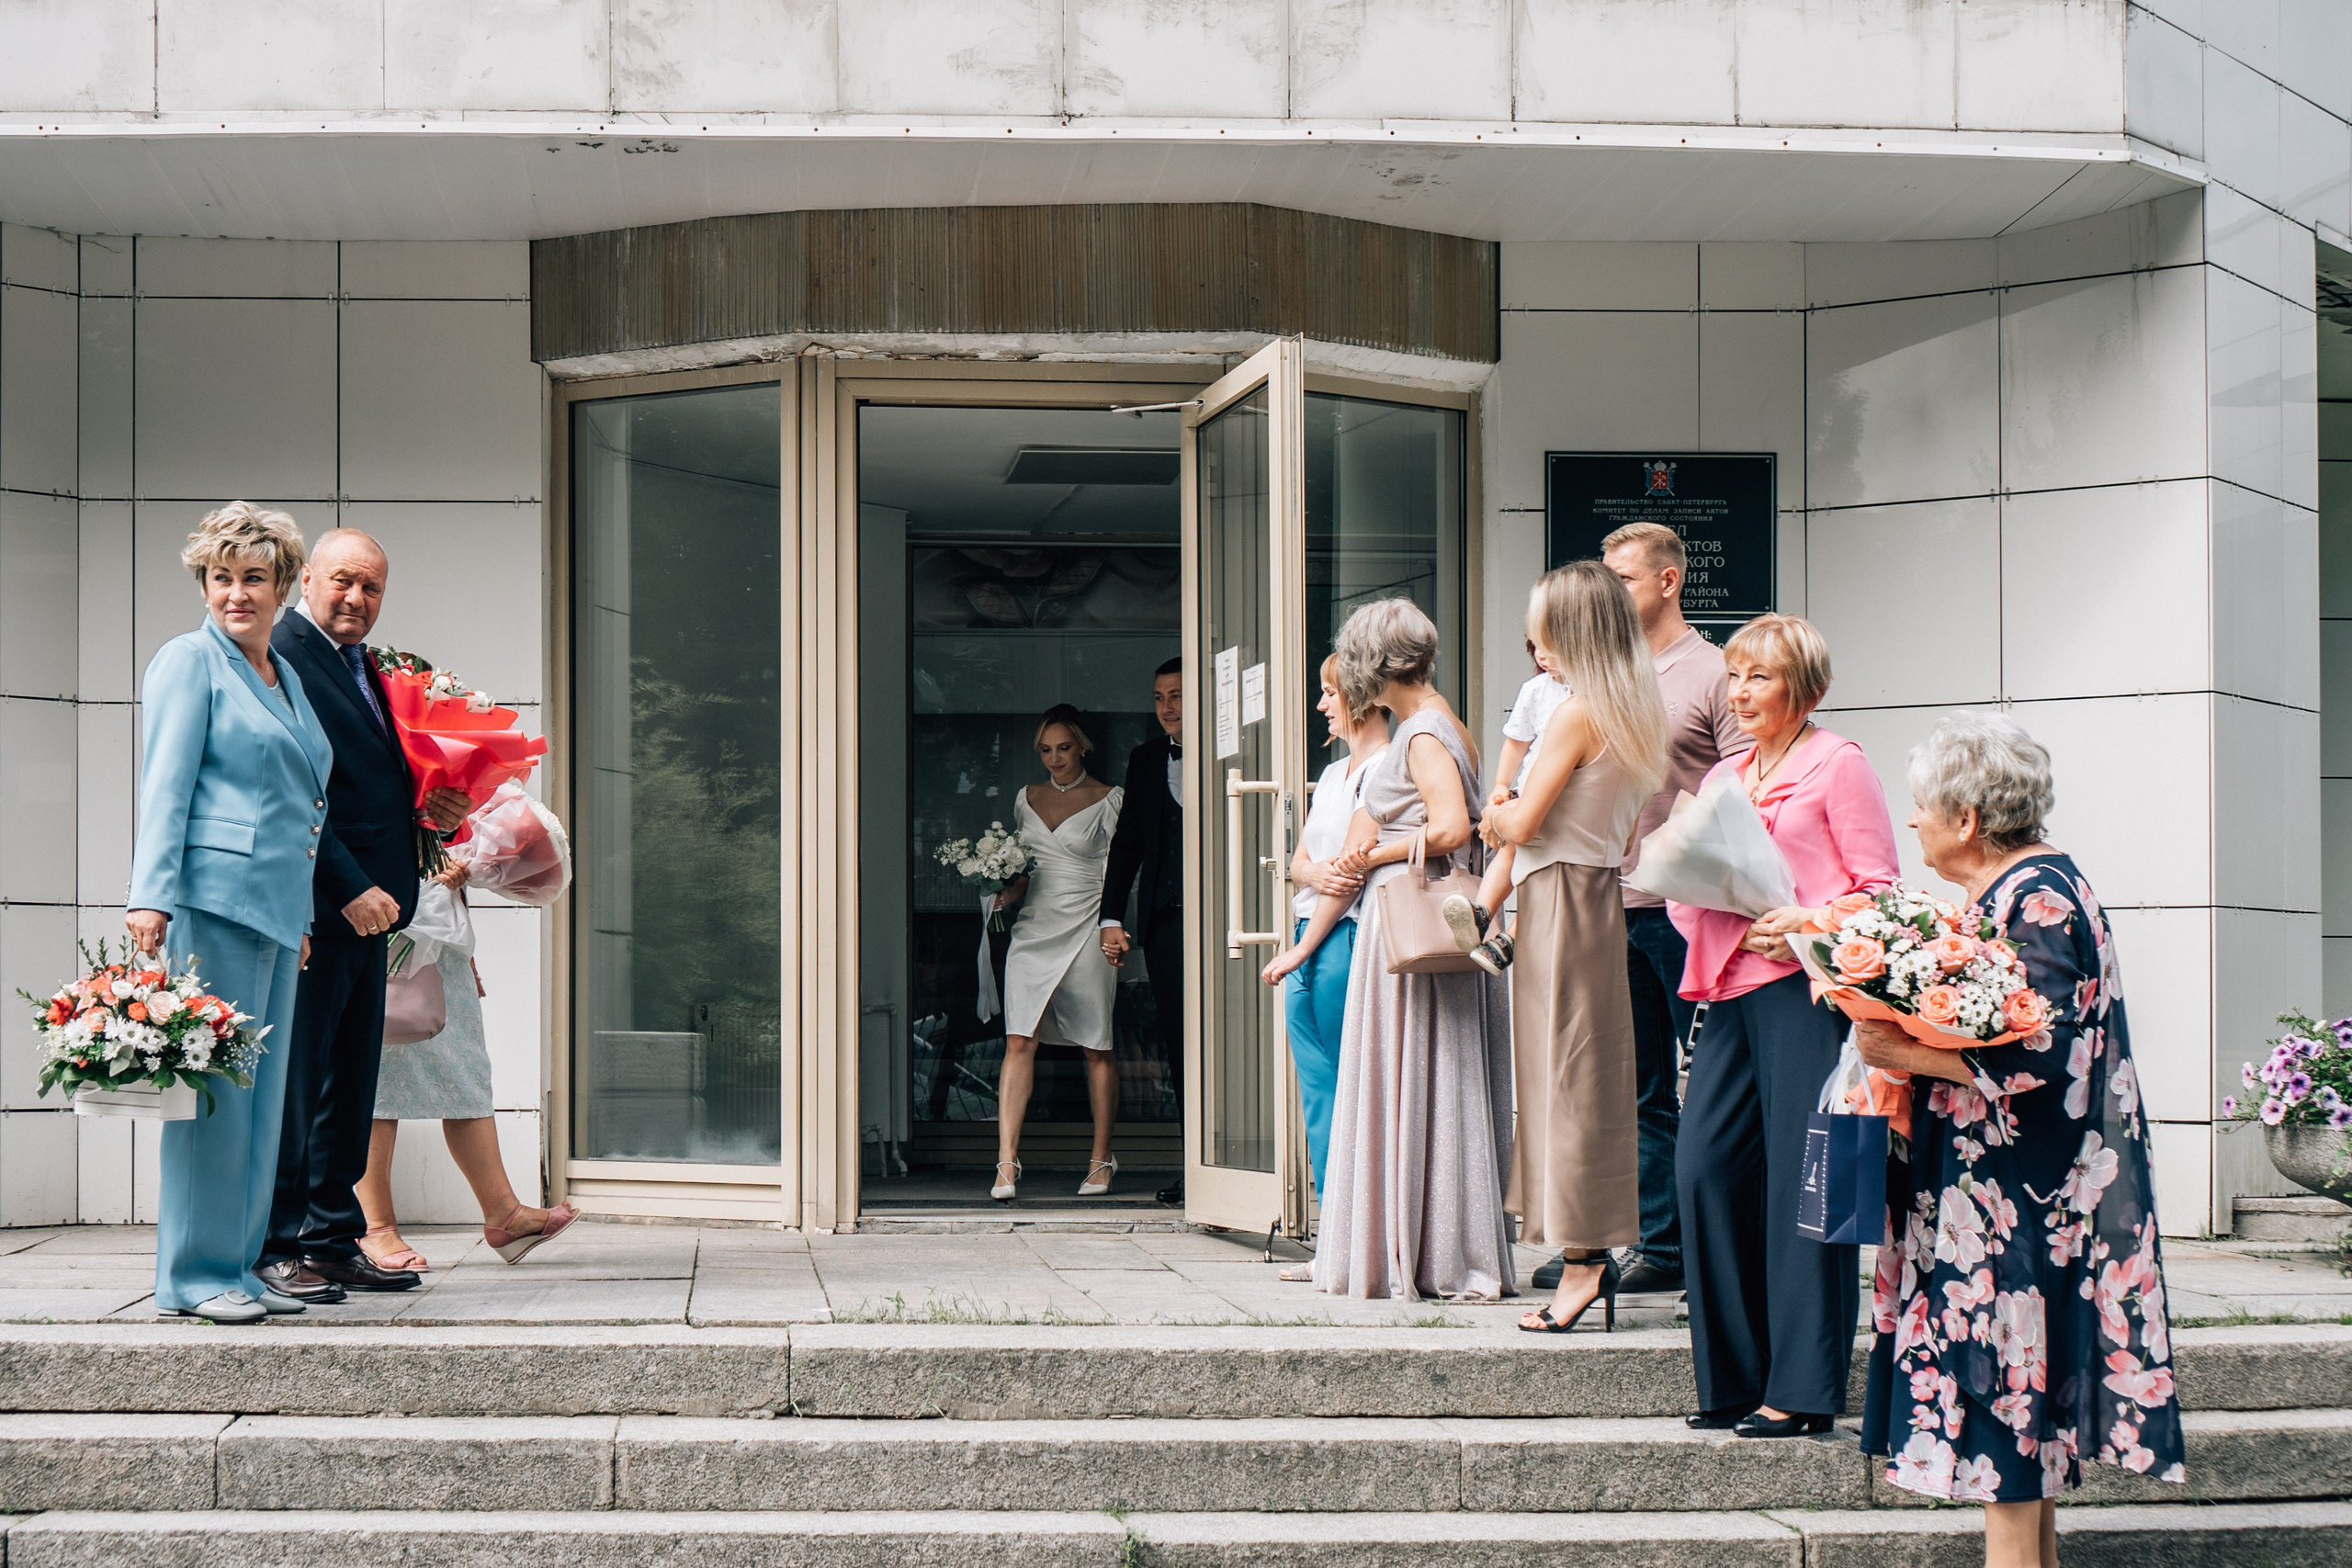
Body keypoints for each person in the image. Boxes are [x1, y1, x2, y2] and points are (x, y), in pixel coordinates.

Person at [1857, 714, 2183, 1565]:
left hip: (2014, 1208)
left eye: (1922, 804)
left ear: (1967, 818)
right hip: (2017, 1194)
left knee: (2006, 1414)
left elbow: (2045, 1052)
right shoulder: (2031, 887)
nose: (1912, 819)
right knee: (2020, 1429)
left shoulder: (2036, 899)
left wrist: (1904, 1052)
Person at [1670, 613, 1898, 1438]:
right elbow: (1692, 882)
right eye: (1734, 676)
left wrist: (1808, 921)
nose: (1740, 692)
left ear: (1805, 688)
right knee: (1703, 1168)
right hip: (1730, 989)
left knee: (1811, 1183)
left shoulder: (1841, 764)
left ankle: (1802, 1390)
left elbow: (1880, 891)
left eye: (1758, 676)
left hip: (1810, 997)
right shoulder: (1726, 773)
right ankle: (1733, 1378)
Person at [1527, 521, 1749, 1300]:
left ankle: (1714, 1253)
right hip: (1606, 900)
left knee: (1708, 1081)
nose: (1612, 590)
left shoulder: (1713, 673)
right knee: (1633, 1084)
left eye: (1623, 577)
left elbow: (1741, 787)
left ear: (1667, 581)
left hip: (1683, 909)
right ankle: (1656, 1243)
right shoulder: (1596, 675)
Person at [126, 503, 334, 1324]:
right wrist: (150, 895)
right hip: (212, 904)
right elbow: (165, 783)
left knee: (259, 1101)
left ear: (282, 587)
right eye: (222, 577)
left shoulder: (281, 673)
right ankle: (192, 1273)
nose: (236, 593)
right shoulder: (189, 661)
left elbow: (298, 804)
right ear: (205, 584)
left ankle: (239, 1267)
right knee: (212, 1098)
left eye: (253, 577)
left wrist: (303, 915)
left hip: (277, 915)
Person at [258, 530, 471, 1303]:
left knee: (347, 1086)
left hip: (375, 914)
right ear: (307, 579)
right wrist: (347, 883)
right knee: (298, 1085)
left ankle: (332, 1238)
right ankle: (275, 1244)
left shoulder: (364, 665)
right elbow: (292, 793)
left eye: (372, 587)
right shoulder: (281, 656)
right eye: (343, 580)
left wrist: (433, 811)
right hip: (317, 909)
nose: (357, 598)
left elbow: (372, 779)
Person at [1481, 562, 1668, 1333]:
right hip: (1595, 893)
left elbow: (1522, 824)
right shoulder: (1634, 710)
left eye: (1546, 634)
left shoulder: (1575, 713)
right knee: (1585, 1077)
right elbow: (1620, 837)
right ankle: (1588, 1254)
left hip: (1557, 895)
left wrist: (1498, 808)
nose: (1539, 650)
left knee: (1566, 1082)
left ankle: (1585, 1262)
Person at [1312, 598, 1515, 1303]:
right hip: (1429, 926)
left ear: (1373, 663)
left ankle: (1423, 1250)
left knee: (1417, 1073)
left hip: (1411, 923)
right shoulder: (1439, 720)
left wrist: (1373, 855)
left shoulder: (1422, 732)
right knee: (1439, 1077)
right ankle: (1437, 1243)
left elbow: (1453, 828)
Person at [355, 860, 581, 1269]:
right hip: (381, 915)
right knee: (376, 1083)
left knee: (465, 1076)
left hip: (438, 932)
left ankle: (504, 1214)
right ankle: (376, 1227)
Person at [1259, 655, 1390, 1214]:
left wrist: (1302, 948)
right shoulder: (1334, 774)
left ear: (1360, 696)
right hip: (1308, 933)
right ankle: (1331, 1215)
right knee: (1317, 1087)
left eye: (1330, 693)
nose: (1321, 705)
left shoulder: (1386, 769)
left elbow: (1351, 873)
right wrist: (1312, 875)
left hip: (1345, 936)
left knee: (1353, 1081)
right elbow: (1301, 863)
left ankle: (1365, 1219)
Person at [993, 705, 1125, 1201]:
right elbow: (1028, 870)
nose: (1055, 758)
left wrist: (1115, 925)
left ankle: (1101, 1157)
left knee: (1096, 1044)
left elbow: (1122, 871)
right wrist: (1005, 890)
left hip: (1089, 926)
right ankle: (1006, 1162)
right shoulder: (1025, 799)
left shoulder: (1110, 799)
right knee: (1018, 1040)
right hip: (1033, 931)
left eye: (1064, 748)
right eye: (1046, 750)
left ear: (1083, 746)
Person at [1099, 658, 1185, 1205]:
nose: (1167, 707)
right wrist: (1111, 917)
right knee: (1179, 1039)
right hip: (1166, 921)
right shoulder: (1146, 759)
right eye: (1159, 698)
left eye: (1176, 695)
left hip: (1230, 922)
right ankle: (1197, 1166)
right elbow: (1128, 842)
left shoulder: (1238, 752)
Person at [1440, 637, 1566, 976]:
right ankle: (1481, 914)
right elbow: (1516, 744)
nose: (1541, 655)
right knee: (1509, 852)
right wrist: (1499, 785)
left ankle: (1509, 940)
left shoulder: (1594, 693)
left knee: (1547, 879)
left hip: (1568, 801)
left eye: (1549, 645)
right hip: (1530, 795)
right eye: (1535, 647)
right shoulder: (1536, 689)